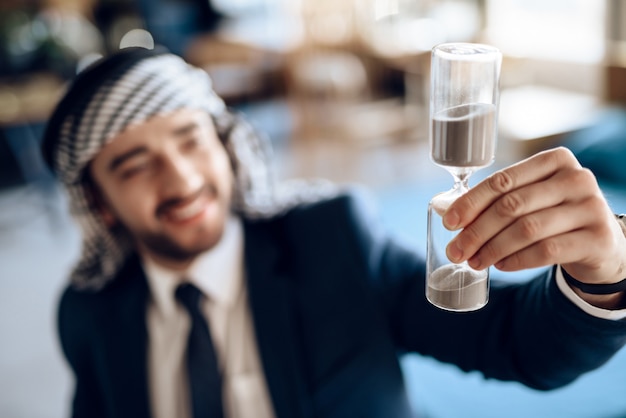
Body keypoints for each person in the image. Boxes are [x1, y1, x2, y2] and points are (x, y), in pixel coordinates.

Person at [42, 46, 626, 418]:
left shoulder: (330, 240)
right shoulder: (89, 312)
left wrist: (601, 275)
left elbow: (517, 345)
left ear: (226, 147)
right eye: (135, 164)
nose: (182, 178)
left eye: (191, 139)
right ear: (100, 203)